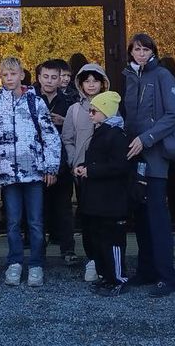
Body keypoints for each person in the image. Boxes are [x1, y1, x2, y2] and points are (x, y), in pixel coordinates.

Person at [0, 56, 61, 288]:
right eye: (5, 75)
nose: (9, 78)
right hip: (8, 174)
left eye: (13, 74)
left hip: (34, 172)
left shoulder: (35, 102)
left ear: (21, 75)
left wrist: (51, 166)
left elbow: (50, 136)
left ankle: (36, 264)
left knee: (36, 221)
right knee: (12, 222)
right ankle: (15, 262)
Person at [123, 32, 175, 297]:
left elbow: (174, 115)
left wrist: (146, 138)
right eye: (137, 49)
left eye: (145, 49)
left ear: (153, 51)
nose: (141, 54)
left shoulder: (162, 75)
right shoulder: (129, 76)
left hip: (155, 155)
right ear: (131, 52)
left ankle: (167, 276)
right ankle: (146, 270)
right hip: (135, 157)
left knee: (157, 218)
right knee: (141, 217)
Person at [73, 90, 132, 296]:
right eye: (90, 110)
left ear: (106, 112)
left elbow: (120, 166)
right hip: (98, 200)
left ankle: (118, 279)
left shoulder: (116, 135)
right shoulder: (100, 132)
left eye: (94, 111)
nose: (90, 114)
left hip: (111, 201)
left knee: (113, 241)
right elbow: (97, 161)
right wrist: (84, 167)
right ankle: (106, 276)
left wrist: (91, 170)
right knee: (99, 240)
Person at [62, 62, 110, 282]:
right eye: (87, 81)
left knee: (106, 218)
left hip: (106, 173)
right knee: (88, 217)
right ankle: (92, 259)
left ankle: (107, 259)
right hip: (82, 173)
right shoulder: (74, 110)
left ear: (103, 83)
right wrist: (74, 161)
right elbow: (68, 139)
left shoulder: (112, 107)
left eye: (95, 81)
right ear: (80, 84)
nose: (91, 85)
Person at [34, 59, 76, 265]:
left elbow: (78, 129)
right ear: (39, 78)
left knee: (64, 208)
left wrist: (64, 121)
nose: (49, 81)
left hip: (62, 162)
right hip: (37, 163)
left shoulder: (69, 102)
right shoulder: (30, 100)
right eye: (46, 77)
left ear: (61, 79)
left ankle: (68, 250)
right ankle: (38, 252)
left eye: (54, 77)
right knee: (38, 210)